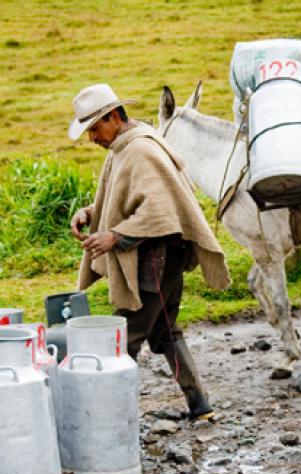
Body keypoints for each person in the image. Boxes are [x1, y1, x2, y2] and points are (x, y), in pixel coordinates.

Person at [68, 83, 231, 420]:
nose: (92, 138)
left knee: (124, 336)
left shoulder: (140, 150)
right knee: (166, 331)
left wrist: (115, 235)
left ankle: (100, 417)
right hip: (159, 258)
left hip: (156, 260)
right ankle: (200, 406)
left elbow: (161, 212)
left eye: (94, 128)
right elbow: (129, 197)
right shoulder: (126, 146)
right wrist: (91, 212)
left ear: (113, 117)